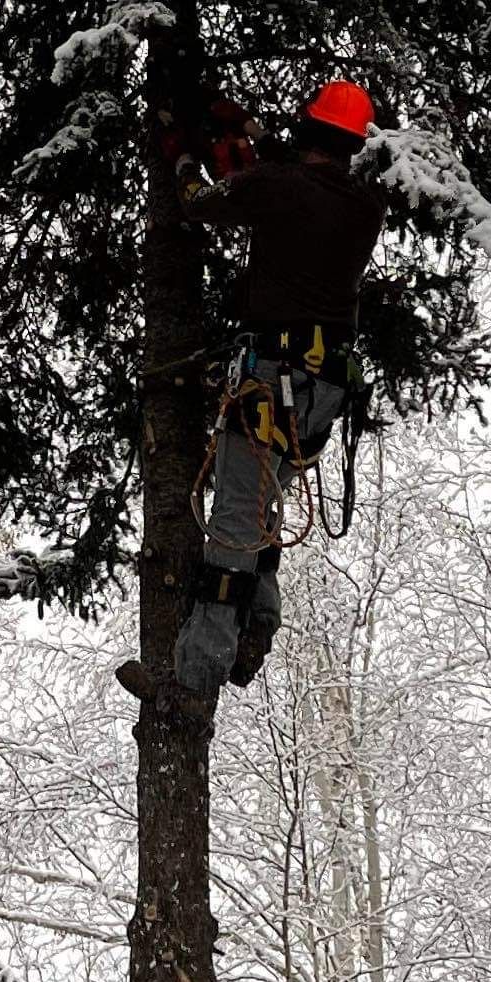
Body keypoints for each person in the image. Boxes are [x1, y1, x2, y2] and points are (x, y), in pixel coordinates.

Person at [166, 78, 388, 697]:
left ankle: (193, 681)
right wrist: (254, 140)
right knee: (260, 508)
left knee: (236, 520)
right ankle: (256, 631)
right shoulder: (364, 204)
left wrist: (184, 155)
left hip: (272, 381)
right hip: (323, 391)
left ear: (308, 130)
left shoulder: (278, 186)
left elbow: (199, 203)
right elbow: (302, 186)